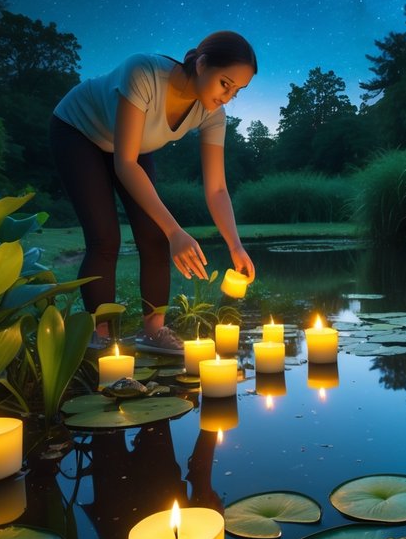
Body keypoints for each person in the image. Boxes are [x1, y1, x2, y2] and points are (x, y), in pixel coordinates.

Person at [50, 30, 257, 355]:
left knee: (155, 237)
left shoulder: (213, 115)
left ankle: (153, 331)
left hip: (134, 145)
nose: (227, 97)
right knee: (105, 239)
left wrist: (236, 245)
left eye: (237, 91)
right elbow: (125, 164)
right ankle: (100, 335)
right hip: (79, 132)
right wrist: (176, 229)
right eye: (225, 84)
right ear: (202, 65)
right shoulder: (145, 73)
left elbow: (216, 187)